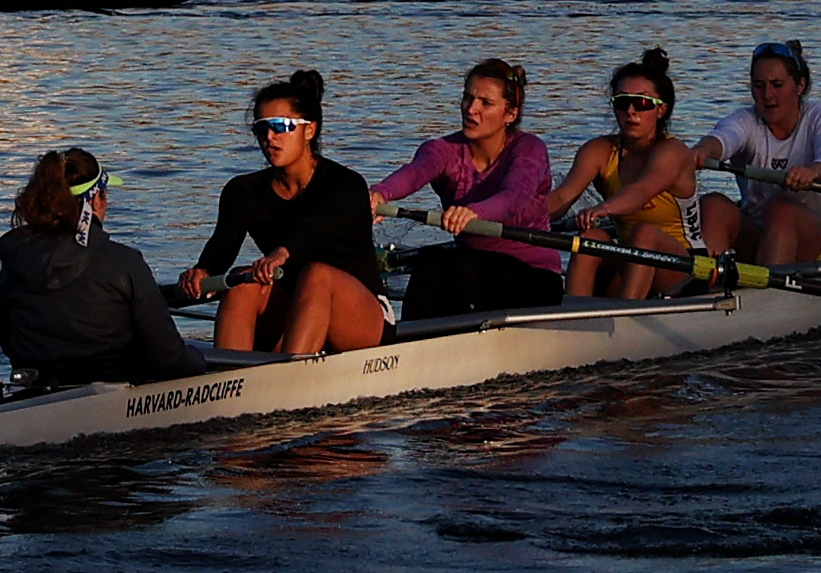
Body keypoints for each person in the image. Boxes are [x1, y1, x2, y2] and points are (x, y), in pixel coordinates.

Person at [180, 68, 388, 354]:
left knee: (317, 275)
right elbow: (221, 249)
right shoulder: (242, 191)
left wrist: (282, 253)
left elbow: (315, 229)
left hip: (361, 315)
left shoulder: (346, 185)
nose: (269, 137)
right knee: (243, 279)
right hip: (295, 305)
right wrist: (201, 272)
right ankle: (227, 377)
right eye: (261, 128)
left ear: (310, 130)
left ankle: (289, 376)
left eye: (280, 126)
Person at [0, 147, 206, 387]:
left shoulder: (16, 262)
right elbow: (169, 359)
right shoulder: (124, 262)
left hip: (37, 387)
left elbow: (8, 342)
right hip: (113, 391)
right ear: (95, 200)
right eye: (105, 194)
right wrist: (200, 360)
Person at [370, 59, 566, 320]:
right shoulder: (442, 150)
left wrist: (474, 213)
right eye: (467, 98)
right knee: (430, 259)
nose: (471, 109)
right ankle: (406, 340)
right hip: (472, 275)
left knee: (462, 265)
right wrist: (381, 193)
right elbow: (415, 172)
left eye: (486, 103)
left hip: (534, 276)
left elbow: (514, 197)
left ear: (511, 114)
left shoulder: (529, 149)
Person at [549, 49, 701, 299]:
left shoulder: (673, 152)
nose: (631, 111)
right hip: (633, 262)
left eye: (641, 103)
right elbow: (560, 199)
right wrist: (507, 215)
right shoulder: (599, 150)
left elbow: (640, 191)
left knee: (644, 232)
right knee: (591, 237)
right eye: (622, 102)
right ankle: (571, 316)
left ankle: (626, 320)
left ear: (661, 110)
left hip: (686, 270)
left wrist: (603, 209)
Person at [693, 40, 821, 265]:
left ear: (800, 85)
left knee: (781, 208)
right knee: (713, 204)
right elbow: (724, 137)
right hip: (761, 233)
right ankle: (707, 289)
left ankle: (769, 296)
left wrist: (814, 171)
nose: (767, 95)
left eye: (777, 84)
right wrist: (702, 151)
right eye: (759, 85)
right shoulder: (746, 119)